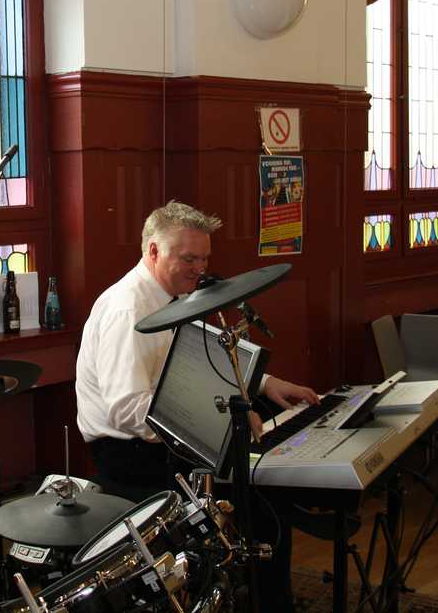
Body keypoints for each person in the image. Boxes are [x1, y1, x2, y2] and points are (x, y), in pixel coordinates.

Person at [75, 199, 319, 612]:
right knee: (263, 508)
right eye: (189, 258)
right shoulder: (128, 309)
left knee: (266, 493)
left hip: (163, 443)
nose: (200, 269)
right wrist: (217, 423)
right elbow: (127, 410)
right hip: (132, 457)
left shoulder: (171, 295)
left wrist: (266, 382)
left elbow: (203, 357)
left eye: (205, 258)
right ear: (154, 251)